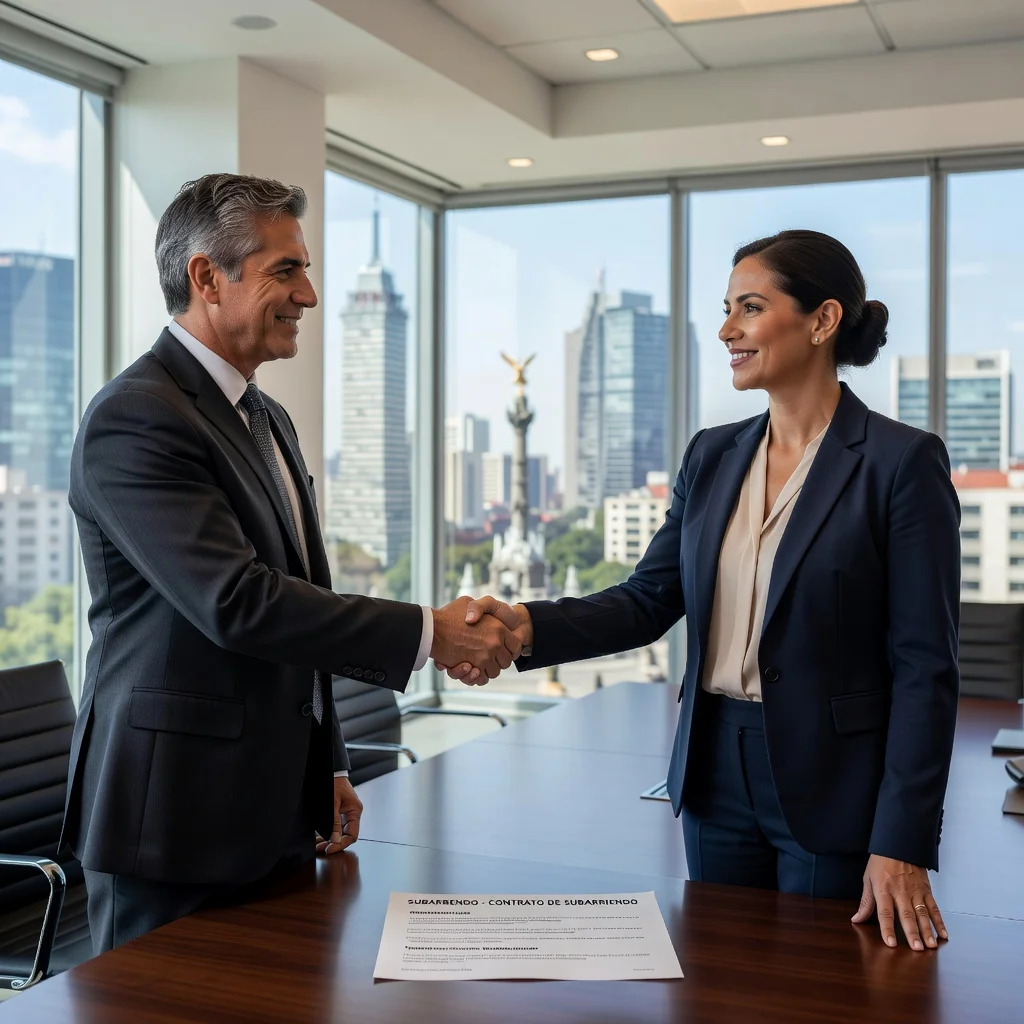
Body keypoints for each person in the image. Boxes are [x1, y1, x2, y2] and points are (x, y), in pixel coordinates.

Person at [443, 230, 960, 953]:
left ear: (822, 320)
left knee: (822, 989)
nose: (726, 330)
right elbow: (648, 598)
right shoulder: (712, 454)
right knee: (718, 979)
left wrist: (902, 840)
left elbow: (925, 669)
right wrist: (524, 624)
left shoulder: (900, 464)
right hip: (715, 770)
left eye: (749, 307)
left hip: (834, 783)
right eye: (726, 309)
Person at [64, 173, 520, 953]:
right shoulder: (137, 416)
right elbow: (237, 602)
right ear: (207, 276)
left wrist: (328, 761)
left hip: (273, 810)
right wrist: (429, 633)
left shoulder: (264, 415)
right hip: (172, 817)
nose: (309, 294)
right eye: (286, 269)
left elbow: (303, 597)